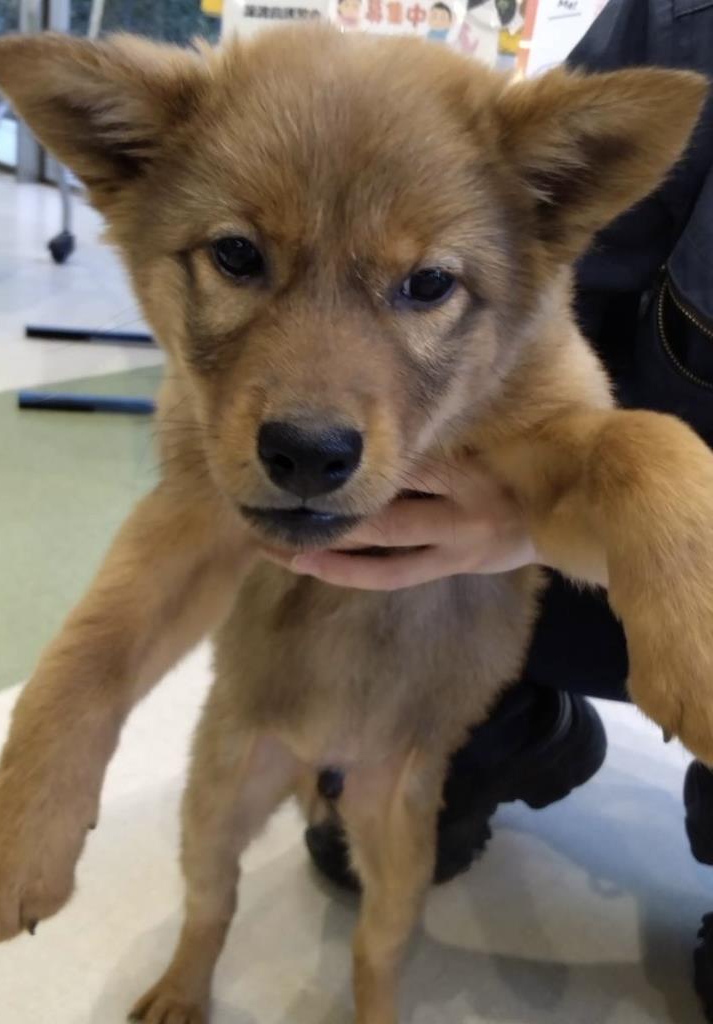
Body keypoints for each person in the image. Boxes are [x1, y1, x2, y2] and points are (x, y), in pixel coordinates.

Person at [274, 0, 713, 1017]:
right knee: (354, 542)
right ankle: (516, 724)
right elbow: (549, 301)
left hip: (666, 560)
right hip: (574, 543)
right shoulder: (688, 28)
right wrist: (521, 507)